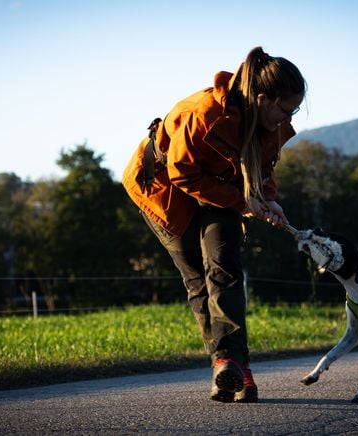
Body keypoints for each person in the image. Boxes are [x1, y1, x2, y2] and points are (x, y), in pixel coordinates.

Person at [121, 46, 306, 403]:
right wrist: (244, 202)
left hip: (221, 188)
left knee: (225, 270)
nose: (290, 117)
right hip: (166, 188)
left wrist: (267, 199)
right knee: (198, 280)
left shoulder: (270, 122)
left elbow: (263, 168)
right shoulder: (204, 114)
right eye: (287, 109)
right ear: (264, 99)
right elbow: (182, 173)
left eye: (294, 110)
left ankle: (232, 366)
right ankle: (228, 363)